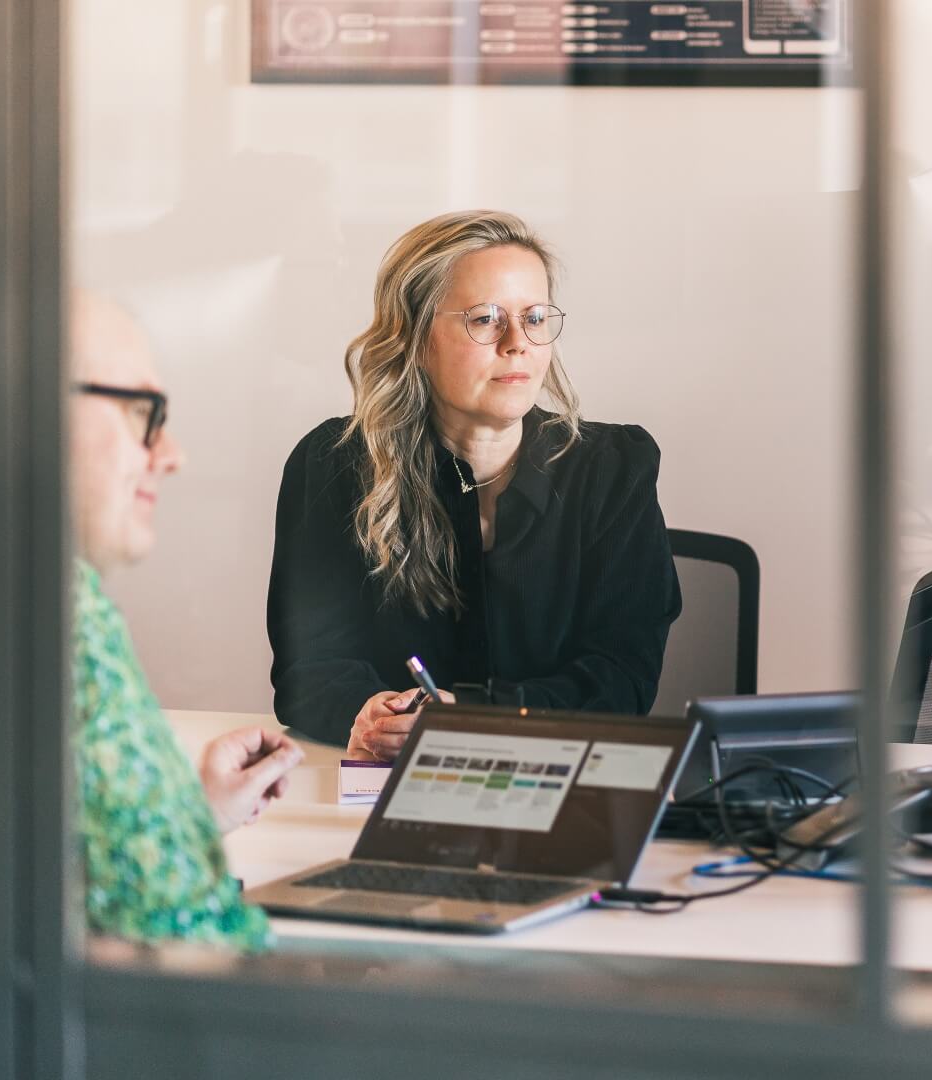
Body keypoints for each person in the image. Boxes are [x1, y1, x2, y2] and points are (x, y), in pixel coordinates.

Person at [0, 294, 301, 950]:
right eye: (141, 413)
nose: (171, 454)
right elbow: (201, 950)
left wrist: (176, 815)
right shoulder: (34, 611)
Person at [267, 211, 680, 758]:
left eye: (534, 317)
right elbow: (309, 669)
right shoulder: (334, 464)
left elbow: (621, 677)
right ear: (415, 339)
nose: (517, 343)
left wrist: (475, 721)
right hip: (385, 781)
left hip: (560, 780)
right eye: (485, 319)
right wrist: (364, 713)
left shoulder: (613, 469)